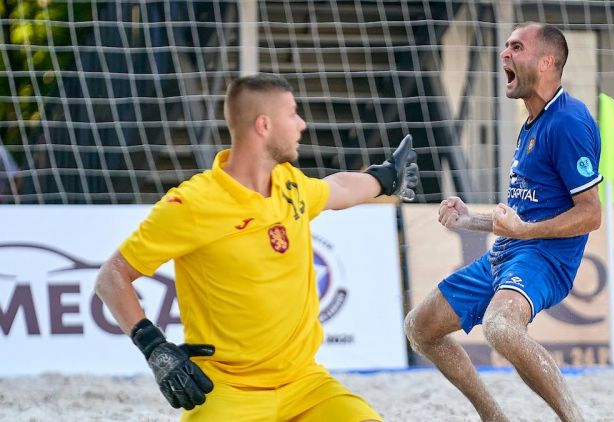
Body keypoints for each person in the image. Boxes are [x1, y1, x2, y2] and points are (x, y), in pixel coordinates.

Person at [94, 73, 418, 421]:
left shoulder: (289, 183)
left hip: (305, 385)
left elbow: (337, 189)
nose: (302, 124)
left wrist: (384, 178)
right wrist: (155, 349)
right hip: (227, 390)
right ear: (264, 125)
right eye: (292, 114)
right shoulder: (192, 203)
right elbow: (111, 277)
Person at [404, 22, 601, 422]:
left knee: (501, 327)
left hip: (544, 258)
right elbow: (520, 216)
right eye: (505, 46)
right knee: (420, 328)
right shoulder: (532, 121)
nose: (504, 54)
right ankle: (494, 417)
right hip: (508, 254)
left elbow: (590, 214)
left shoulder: (568, 120)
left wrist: (525, 232)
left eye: (516, 47)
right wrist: (468, 221)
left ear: (547, 62)